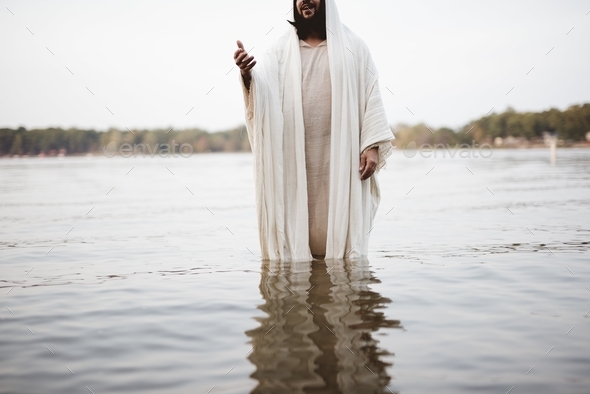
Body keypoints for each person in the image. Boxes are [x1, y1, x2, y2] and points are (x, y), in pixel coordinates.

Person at [234, 0, 394, 261]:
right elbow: (262, 97)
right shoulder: (278, 52)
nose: (304, 1)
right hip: (294, 159)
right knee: (298, 229)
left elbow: (371, 94)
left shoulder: (354, 47)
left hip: (342, 157)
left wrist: (372, 145)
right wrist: (247, 76)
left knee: (341, 235)